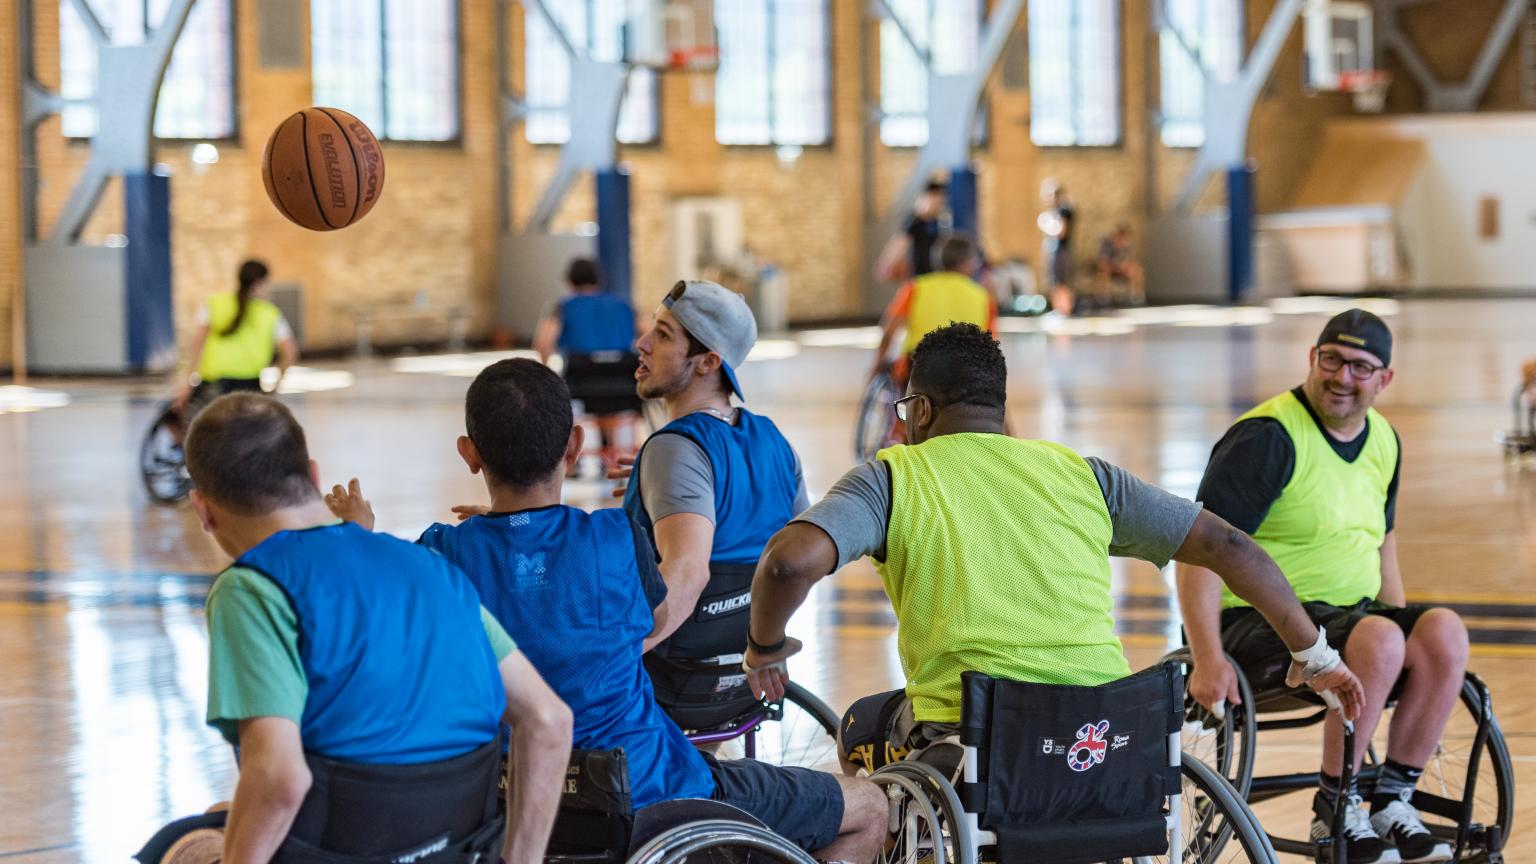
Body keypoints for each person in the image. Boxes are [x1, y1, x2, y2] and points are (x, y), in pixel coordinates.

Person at [738, 323, 1365, 781]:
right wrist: (1314, 654)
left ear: (920, 410)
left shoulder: (894, 476)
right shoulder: (1083, 475)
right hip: (1107, 735)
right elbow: (1228, 545)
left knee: (863, 727)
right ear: (1000, 409)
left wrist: (765, 646)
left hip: (978, 736)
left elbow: (789, 560)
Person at [323, 360, 885, 862]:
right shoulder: (616, 539)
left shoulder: (441, 556)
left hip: (510, 807)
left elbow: (378, 596)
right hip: (652, 796)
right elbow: (650, 613)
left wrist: (358, 534)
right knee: (867, 805)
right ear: (573, 446)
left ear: (469, 454)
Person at [139, 393, 571, 864]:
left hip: (338, 845)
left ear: (202, 510)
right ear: (314, 474)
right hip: (454, 846)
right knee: (222, 813)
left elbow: (279, 777)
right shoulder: (432, 567)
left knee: (180, 846)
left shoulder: (252, 588)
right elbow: (549, 721)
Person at [1180, 310, 1465, 864]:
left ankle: (1391, 800)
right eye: (1331, 359)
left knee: (1443, 633)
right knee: (1381, 638)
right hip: (1261, 625)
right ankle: (1335, 808)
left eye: (1360, 367)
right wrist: (1206, 656)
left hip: (1353, 616)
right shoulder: (1267, 438)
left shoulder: (1384, 438)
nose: (1341, 376)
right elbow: (1198, 552)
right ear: (1313, 358)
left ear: (1384, 379)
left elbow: (1384, 543)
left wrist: (1403, 635)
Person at [620, 280, 810, 730]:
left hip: (671, 679)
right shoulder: (774, 442)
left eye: (664, 336)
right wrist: (768, 641)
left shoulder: (675, 449)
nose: (642, 345)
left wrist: (611, 658)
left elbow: (688, 574)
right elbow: (801, 557)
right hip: (737, 680)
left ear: (708, 362)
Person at [533, 258, 645, 464]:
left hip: (581, 385)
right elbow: (647, 336)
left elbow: (543, 343)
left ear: (570, 282)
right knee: (611, 396)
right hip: (624, 387)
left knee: (576, 392)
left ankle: (572, 463)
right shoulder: (623, 306)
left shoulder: (563, 306)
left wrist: (547, 376)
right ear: (599, 281)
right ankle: (613, 457)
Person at [173, 260, 298, 415]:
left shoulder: (214, 304)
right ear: (260, 283)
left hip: (213, 387)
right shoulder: (270, 314)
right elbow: (290, 353)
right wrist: (276, 387)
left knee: (211, 435)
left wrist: (187, 384)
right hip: (250, 388)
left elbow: (197, 343)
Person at [871, 234, 998, 387]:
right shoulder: (983, 296)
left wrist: (878, 364)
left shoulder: (916, 288)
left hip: (920, 368)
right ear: (967, 264)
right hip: (966, 372)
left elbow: (889, 332)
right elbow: (991, 344)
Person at [876, 180, 946, 282]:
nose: (938, 203)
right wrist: (887, 262)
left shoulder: (942, 221)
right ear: (928, 197)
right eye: (935, 199)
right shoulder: (915, 221)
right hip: (920, 276)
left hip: (938, 276)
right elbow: (900, 241)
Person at [1038, 179, 1076, 315]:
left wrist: (1047, 225)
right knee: (1054, 282)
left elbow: (1061, 232)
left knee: (1062, 283)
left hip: (1062, 252)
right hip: (1055, 252)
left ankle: (1064, 311)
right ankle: (1058, 310)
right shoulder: (1056, 211)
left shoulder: (1065, 209)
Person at [1095, 223, 1146, 306]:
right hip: (1109, 267)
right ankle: (1103, 296)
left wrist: (1124, 265)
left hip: (1121, 267)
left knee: (1137, 269)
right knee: (1104, 268)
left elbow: (1128, 259)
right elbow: (1103, 260)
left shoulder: (1127, 245)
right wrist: (1114, 264)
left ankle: (1136, 296)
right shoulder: (1106, 243)